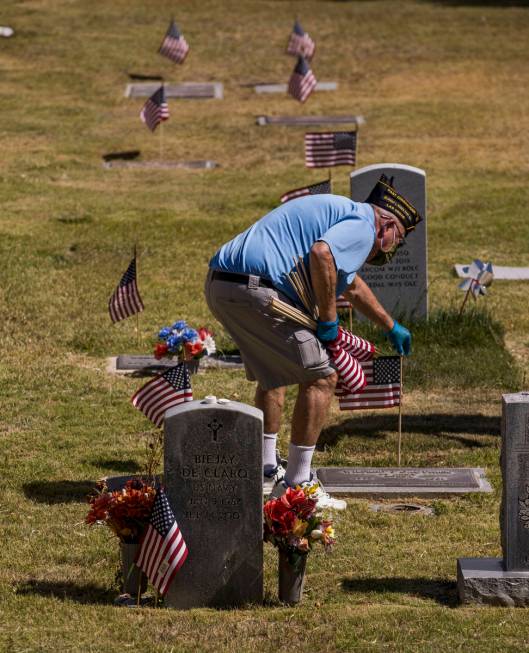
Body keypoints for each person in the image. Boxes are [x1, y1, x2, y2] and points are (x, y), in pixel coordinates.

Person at [205, 175, 422, 510]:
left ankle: (265, 470)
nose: (391, 249)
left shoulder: (344, 213)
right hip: (259, 291)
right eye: (398, 240)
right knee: (322, 377)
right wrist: (329, 320)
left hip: (222, 286)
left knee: (273, 373)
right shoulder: (365, 226)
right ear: (387, 224)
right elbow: (322, 256)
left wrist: (390, 325)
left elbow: (350, 285)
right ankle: (299, 485)